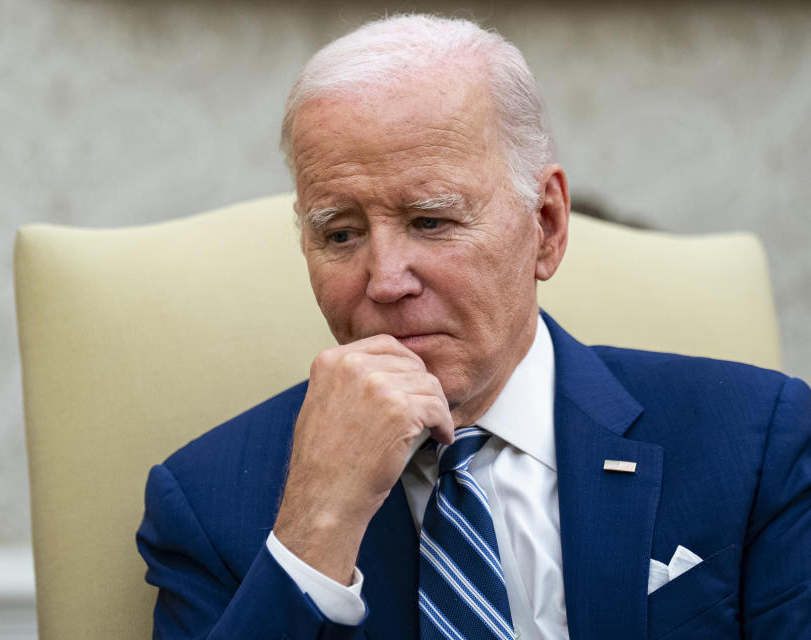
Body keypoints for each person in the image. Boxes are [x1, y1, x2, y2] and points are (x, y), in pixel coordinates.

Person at [137, 14, 811, 640]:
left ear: (544, 226)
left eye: (431, 221)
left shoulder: (755, 441)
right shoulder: (207, 504)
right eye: (340, 233)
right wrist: (318, 530)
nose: (385, 280)